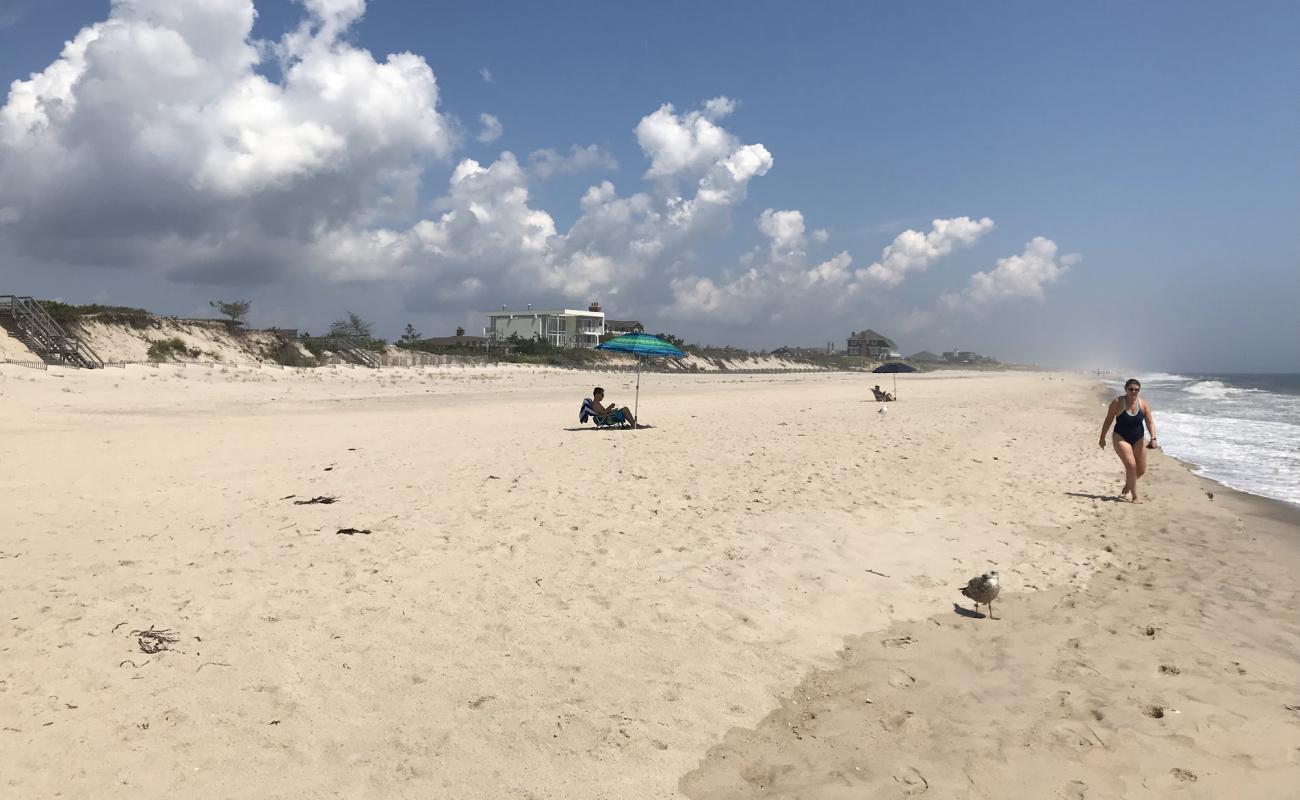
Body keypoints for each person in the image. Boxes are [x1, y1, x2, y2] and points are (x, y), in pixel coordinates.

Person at [1098, 378, 1159, 503]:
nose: (1133, 391)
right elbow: (1108, 420)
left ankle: (1129, 483)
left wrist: (1153, 438)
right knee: (1131, 466)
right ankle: (1135, 496)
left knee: (1141, 470)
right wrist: (1102, 437)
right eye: (1131, 389)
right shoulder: (1117, 402)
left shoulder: (1142, 404)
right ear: (1126, 389)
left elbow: (1149, 421)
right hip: (1120, 437)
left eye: (1136, 389)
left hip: (1138, 439)